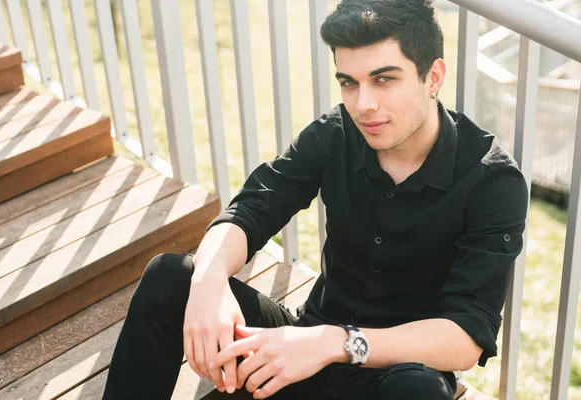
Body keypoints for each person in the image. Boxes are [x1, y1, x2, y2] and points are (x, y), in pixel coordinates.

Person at [103, 0, 529, 399]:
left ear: (432, 77)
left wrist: (335, 342)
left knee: (416, 390)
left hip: (394, 370)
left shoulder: (492, 181)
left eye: (384, 79)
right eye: (349, 82)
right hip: (303, 350)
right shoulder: (335, 133)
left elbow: (467, 337)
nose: (363, 105)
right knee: (171, 275)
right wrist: (208, 281)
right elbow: (253, 206)